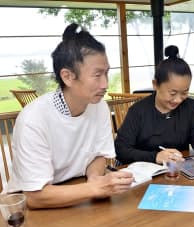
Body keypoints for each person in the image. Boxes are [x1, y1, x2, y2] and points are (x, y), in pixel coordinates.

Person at [6, 23, 134, 209]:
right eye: (97, 75)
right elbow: (35, 197)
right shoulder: (33, 119)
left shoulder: (99, 107)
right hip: (29, 208)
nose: (105, 84)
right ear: (67, 76)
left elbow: (98, 156)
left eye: (106, 73)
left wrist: (96, 179)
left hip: (77, 194)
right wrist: (94, 188)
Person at [115, 45, 194, 172]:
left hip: (176, 173)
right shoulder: (138, 111)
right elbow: (121, 150)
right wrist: (156, 156)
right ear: (156, 85)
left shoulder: (189, 107)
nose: (178, 100)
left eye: (184, 93)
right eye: (172, 93)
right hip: (143, 176)